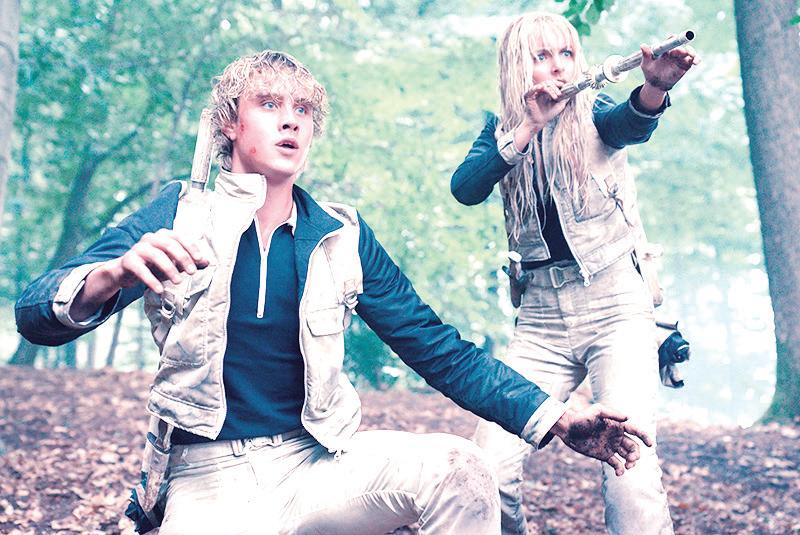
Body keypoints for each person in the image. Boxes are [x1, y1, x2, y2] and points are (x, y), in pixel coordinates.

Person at [16, 49, 651, 535]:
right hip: (209, 476)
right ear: (229, 124)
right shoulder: (178, 213)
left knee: (462, 470)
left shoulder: (341, 236)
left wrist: (557, 417)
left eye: (303, 111)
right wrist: (112, 275)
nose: (291, 119)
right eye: (269, 104)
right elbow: (34, 311)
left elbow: (438, 349)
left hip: (319, 462)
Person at [450, 12, 699, 535]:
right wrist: (529, 127)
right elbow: (466, 188)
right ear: (517, 67)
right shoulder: (499, 131)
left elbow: (631, 123)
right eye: (542, 56)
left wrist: (654, 89)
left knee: (630, 468)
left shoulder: (595, 111)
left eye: (566, 53)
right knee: (486, 466)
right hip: (540, 319)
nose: (559, 67)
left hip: (615, 304)